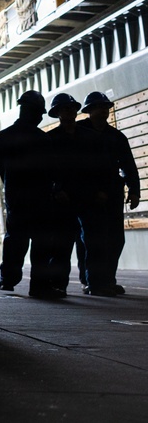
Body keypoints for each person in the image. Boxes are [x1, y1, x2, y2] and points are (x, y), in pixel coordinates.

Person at [0, 91, 63, 297]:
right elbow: (52, 170)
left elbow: (0, 167)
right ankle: (39, 286)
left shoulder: (3, 136)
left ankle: (8, 279)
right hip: (41, 198)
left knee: (15, 239)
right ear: (35, 113)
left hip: (16, 196)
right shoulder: (42, 139)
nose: (41, 117)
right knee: (41, 243)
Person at [76, 91, 140, 296]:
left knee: (114, 239)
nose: (103, 110)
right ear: (89, 110)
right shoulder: (79, 133)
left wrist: (134, 191)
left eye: (105, 107)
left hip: (112, 192)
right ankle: (92, 281)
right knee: (91, 238)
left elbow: (128, 165)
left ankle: (108, 280)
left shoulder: (116, 136)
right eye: (98, 107)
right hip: (87, 194)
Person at [46, 93, 89, 293]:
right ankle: (58, 284)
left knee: (87, 242)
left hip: (85, 195)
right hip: (63, 198)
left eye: (72, 108)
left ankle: (89, 280)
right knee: (62, 245)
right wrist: (56, 190)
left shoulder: (87, 136)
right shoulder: (51, 139)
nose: (70, 111)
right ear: (58, 113)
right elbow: (45, 170)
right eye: (65, 109)